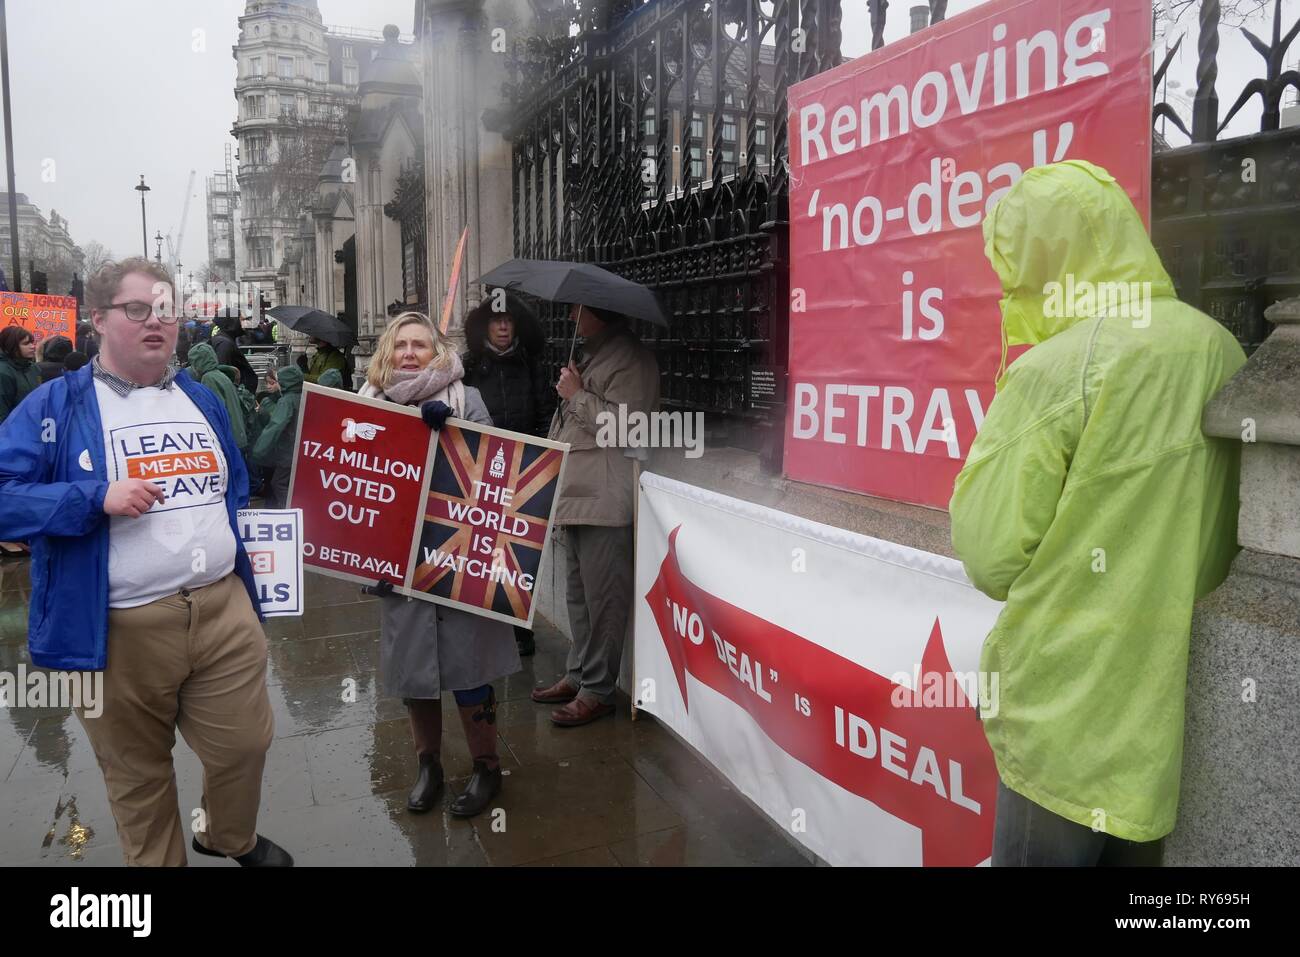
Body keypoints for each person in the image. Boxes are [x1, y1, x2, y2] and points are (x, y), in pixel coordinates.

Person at [948, 161, 1246, 867]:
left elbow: (989, 555)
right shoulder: (1222, 350)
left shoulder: (1054, 369)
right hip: (1159, 731)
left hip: (1058, 725)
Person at [0, 257, 291, 866]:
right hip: (116, 631)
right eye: (138, 310)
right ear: (99, 320)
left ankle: (226, 836)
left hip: (221, 610)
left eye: (165, 309)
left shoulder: (199, 398)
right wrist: (92, 497)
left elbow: (232, 487)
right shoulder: (58, 406)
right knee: (138, 777)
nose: (156, 322)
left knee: (246, 744)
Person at [360, 311, 520, 816]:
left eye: (420, 345)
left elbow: (497, 471)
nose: (410, 353)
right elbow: (357, 486)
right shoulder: (368, 404)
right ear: (388, 352)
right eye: (401, 345)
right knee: (416, 674)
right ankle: (427, 765)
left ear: (438, 351)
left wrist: (452, 435)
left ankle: (487, 765)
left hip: (460, 557)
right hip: (399, 563)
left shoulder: (464, 399)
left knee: (471, 671)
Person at [531, 304, 659, 726]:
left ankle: (599, 690)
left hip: (605, 498)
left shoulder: (630, 358)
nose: (569, 317)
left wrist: (578, 396)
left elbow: (631, 429)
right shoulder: (591, 355)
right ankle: (579, 673)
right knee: (579, 599)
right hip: (575, 493)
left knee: (604, 601)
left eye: (576, 310)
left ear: (598, 313)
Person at [461, 291, 556, 657]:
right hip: (480, 469)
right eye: (496, 320)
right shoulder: (469, 365)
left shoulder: (531, 365)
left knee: (517, 553)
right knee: (480, 547)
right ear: (485, 325)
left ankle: (519, 627)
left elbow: (546, 410)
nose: (502, 326)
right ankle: (483, 623)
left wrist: (542, 453)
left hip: (525, 469)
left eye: (509, 320)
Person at [0, 326, 41, 557]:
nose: (33, 346)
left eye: (33, 342)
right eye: (27, 343)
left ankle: (19, 532)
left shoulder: (33, 368)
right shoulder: (3, 372)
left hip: (31, 437)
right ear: (12, 346)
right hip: (10, 439)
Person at [186, 342, 248, 452]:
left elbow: (214, 412)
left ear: (198, 363)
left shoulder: (208, 378)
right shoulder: (220, 375)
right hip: (238, 434)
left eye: (193, 363)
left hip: (229, 439)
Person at [209, 314, 258, 392]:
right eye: (241, 320)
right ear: (232, 323)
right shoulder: (224, 343)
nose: (245, 323)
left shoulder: (226, 340)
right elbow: (222, 374)